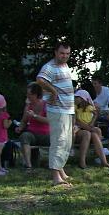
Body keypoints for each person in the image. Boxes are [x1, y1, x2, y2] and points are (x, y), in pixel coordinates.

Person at [36, 42, 75, 186]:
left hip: (67, 109)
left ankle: (61, 170)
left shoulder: (64, 65)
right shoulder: (49, 67)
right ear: (55, 52)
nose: (64, 56)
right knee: (59, 142)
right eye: (62, 53)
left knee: (66, 142)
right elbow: (39, 80)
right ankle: (55, 177)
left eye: (67, 53)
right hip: (58, 110)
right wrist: (53, 91)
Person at [74, 89, 109, 168]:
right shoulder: (74, 107)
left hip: (86, 128)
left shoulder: (89, 108)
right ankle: (82, 162)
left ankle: (103, 161)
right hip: (76, 130)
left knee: (95, 134)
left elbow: (94, 116)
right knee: (88, 133)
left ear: (83, 99)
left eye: (77, 97)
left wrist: (92, 123)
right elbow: (76, 122)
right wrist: (89, 128)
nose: (75, 99)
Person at [15, 82, 51, 171]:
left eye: (29, 94)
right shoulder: (28, 106)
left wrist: (35, 116)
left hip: (45, 135)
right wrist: (20, 128)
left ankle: (53, 164)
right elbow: (24, 121)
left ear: (36, 95)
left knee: (56, 138)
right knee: (24, 136)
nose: (27, 96)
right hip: (33, 134)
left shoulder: (46, 104)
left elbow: (49, 120)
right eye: (27, 94)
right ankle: (28, 166)